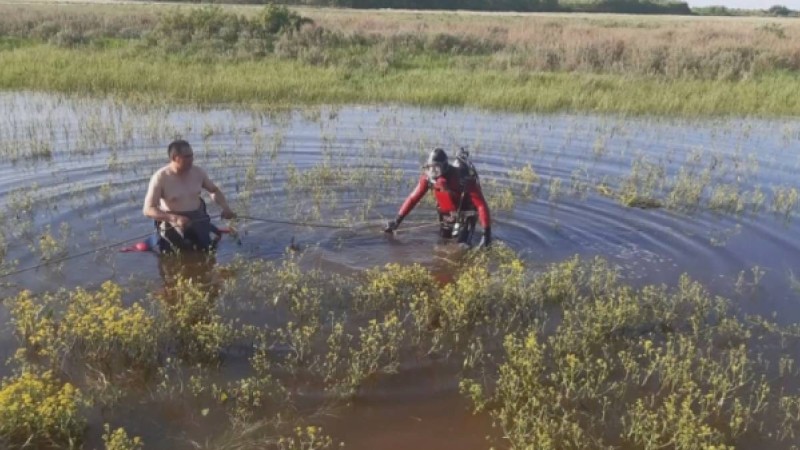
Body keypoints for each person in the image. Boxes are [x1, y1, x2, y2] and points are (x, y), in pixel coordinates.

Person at [385, 148, 492, 248]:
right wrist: (397, 221)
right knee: (444, 241)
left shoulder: (463, 179)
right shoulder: (428, 179)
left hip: (466, 212)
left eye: (436, 168)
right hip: (446, 214)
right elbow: (413, 199)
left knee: (463, 246)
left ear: (444, 166)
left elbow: (481, 205)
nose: (433, 172)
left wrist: (486, 234)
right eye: (430, 167)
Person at [143, 140, 236, 253]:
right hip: (172, 222)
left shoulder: (198, 172)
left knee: (206, 251)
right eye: (187, 157)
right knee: (173, 254)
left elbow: (214, 190)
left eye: (192, 155)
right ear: (175, 158)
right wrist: (174, 218)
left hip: (198, 218)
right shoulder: (160, 177)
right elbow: (148, 209)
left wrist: (225, 207)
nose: (191, 159)